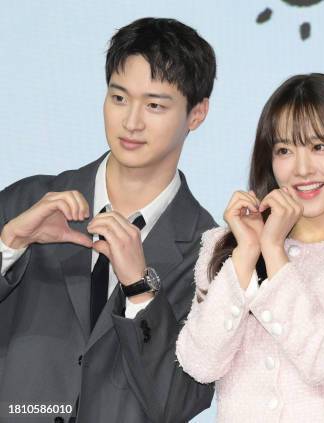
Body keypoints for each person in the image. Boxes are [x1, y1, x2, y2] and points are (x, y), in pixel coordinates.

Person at [0, 18, 216, 422]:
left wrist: (139, 288)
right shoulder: (25, 203)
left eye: (154, 105)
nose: (131, 122)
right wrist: (7, 248)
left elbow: (180, 402)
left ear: (197, 114)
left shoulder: (210, 252)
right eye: (119, 98)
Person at [176, 73, 324, 422]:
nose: (301, 169)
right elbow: (200, 363)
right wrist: (247, 253)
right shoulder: (222, 244)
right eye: (284, 150)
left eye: (320, 147)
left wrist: (275, 253)